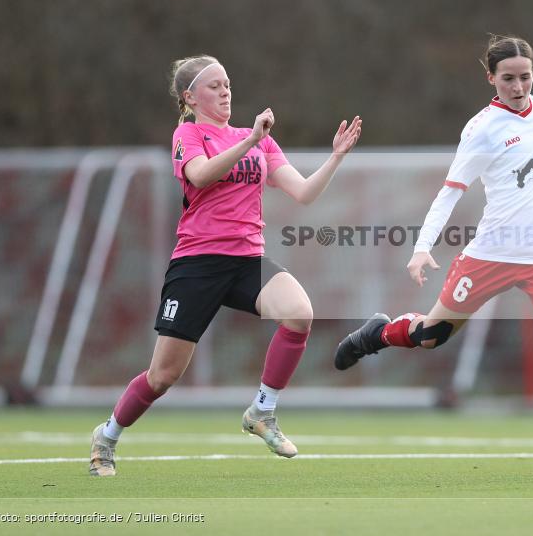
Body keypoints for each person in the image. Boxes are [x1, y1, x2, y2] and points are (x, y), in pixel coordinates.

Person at [335, 0, 533, 466]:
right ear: (491, 79)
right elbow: (451, 191)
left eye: (525, 77)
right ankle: (377, 333)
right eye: (508, 79)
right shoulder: (481, 129)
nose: (518, 87)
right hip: (493, 253)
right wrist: (420, 249)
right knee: (431, 336)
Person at [89, 55, 361, 476]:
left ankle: (262, 411)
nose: (224, 91)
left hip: (246, 259)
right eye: (214, 86)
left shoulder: (256, 138)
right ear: (190, 97)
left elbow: (304, 192)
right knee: (162, 376)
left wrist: (336, 157)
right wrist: (250, 140)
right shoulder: (189, 133)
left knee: (299, 313)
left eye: (227, 84)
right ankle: (106, 437)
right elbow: (199, 176)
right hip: (197, 262)